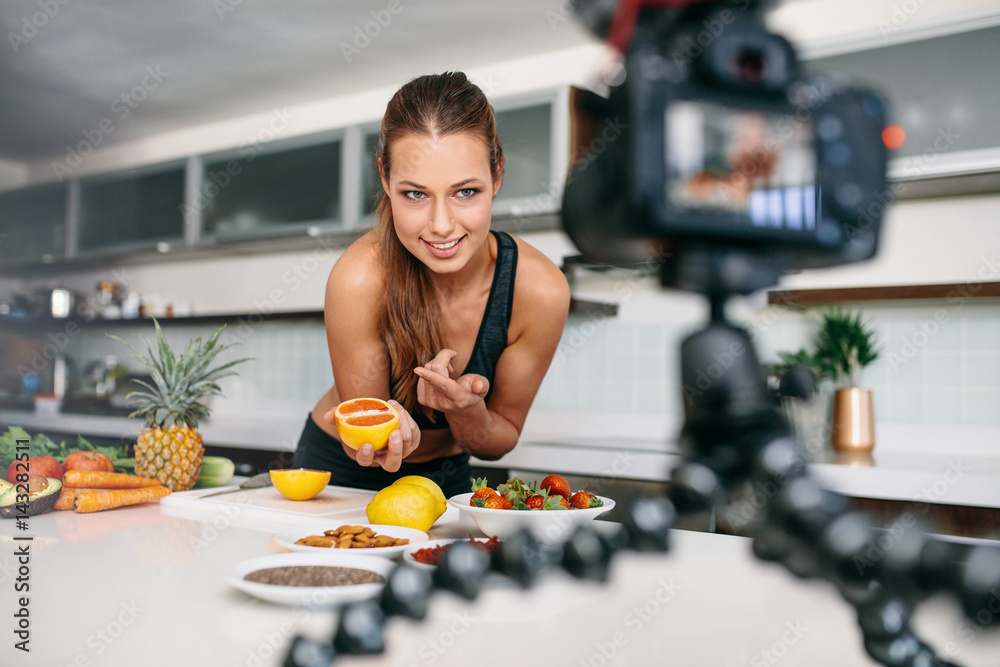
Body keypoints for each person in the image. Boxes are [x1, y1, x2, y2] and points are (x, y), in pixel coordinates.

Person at [292, 72, 571, 498]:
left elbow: (501, 440)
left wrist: (468, 415)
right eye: (416, 195)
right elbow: (367, 440)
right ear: (385, 179)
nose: (441, 226)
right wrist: (382, 435)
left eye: (465, 192)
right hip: (339, 475)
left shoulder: (540, 290)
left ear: (496, 175)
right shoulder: (360, 277)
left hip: (446, 478)